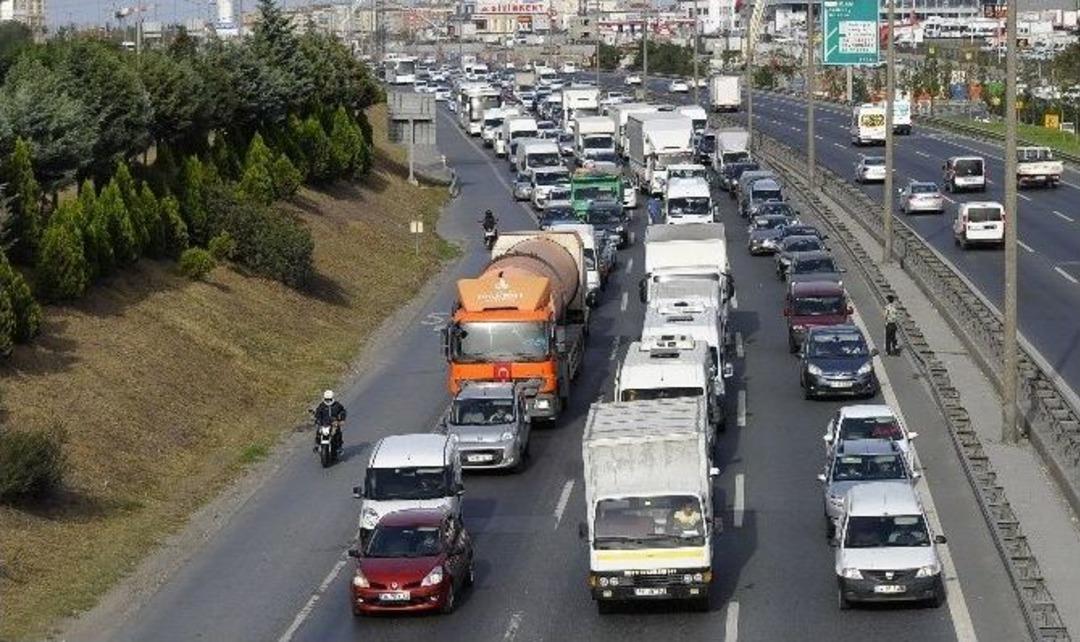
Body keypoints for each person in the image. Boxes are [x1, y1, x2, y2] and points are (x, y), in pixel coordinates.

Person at [313, 390, 346, 454]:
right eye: (326, 399)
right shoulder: (322, 405)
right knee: (318, 432)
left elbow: (343, 412)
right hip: (324, 423)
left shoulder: (337, 405)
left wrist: (342, 419)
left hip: (334, 424)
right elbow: (318, 413)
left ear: (332, 398)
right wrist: (317, 420)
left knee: (338, 433)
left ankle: (339, 447)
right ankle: (317, 444)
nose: (328, 401)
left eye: (329, 399)